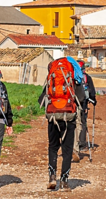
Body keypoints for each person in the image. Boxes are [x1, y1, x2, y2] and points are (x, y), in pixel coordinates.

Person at [39, 57, 79, 191]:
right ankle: (64, 181)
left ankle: (52, 176)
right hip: (69, 117)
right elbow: (82, 98)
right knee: (67, 150)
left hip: (52, 116)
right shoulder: (72, 82)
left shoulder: (51, 81)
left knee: (53, 147)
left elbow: (41, 100)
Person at [72, 69, 97, 162]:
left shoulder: (70, 77)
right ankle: (81, 145)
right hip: (82, 105)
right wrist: (94, 101)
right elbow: (92, 93)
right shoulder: (86, 78)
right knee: (81, 124)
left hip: (69, 106)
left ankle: (68, 145)